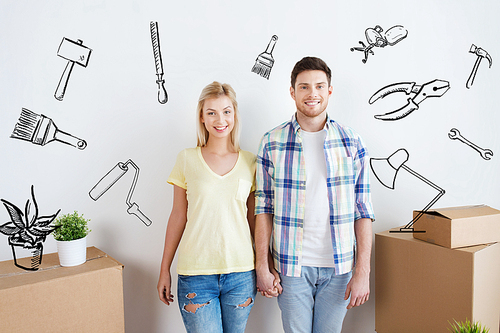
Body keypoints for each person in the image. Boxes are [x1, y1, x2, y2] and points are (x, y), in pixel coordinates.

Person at [254, 56, 375, 333]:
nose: (312, 94)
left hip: (340, 267)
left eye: (319, 86)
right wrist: (263, 265)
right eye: (304, 87)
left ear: (329, 91)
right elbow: (263, 207)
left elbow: (363, 210)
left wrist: (363, 272)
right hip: (291, 266)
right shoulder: (271, 142)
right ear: (292, 92)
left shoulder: (352, 141)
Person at [157, 81, 257, 333]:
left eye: (226, 111)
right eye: (211, 112)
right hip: (196, 275)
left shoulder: (250, 162)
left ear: (234, 114)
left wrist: (266, 265)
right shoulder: (187, 158)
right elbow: (178, 216)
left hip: (241, 274)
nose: (219, 119)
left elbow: (255, 220)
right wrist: (164, 269)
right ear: (202, 117)